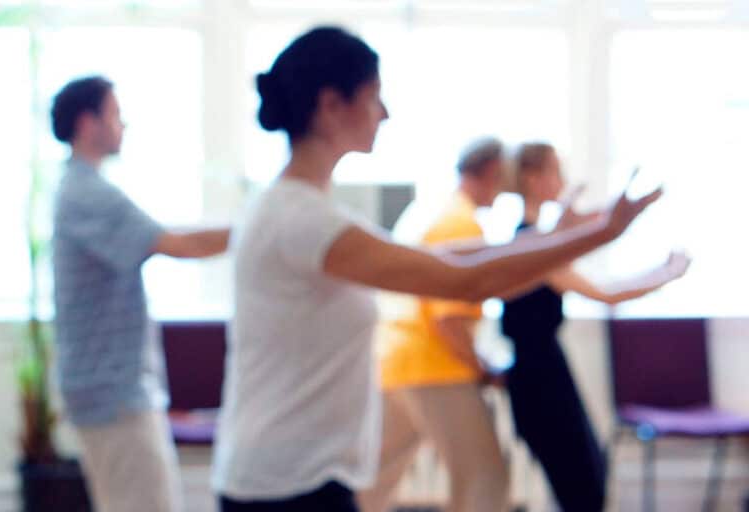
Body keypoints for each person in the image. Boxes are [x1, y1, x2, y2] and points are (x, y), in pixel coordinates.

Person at [211, 26, 660, 512]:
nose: (385, 113)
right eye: (374, 96)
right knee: (483, 478)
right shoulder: (302, 219)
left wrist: (560, 236)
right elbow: (465, 280)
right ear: (331, 105)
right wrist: (601, 233)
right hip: (285, 483)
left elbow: (453, 260)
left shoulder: (304, 211)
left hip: (296, 474)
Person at [51, 75, 231, 512]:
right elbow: (178, 244)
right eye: (115, 115)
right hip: (114, 392)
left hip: (108, 388)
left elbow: (166, 237)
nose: (123, 125)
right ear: (87, 123)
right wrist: (261, 228)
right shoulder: (87, 193)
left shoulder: (80, 188)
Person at [502, 142, 690, 512]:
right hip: (539, 380)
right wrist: (668, 273)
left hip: (542, 372)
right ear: (533, 178)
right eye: (555, 171)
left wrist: (612, 215)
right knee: (582, 486)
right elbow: (607, 293)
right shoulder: (529, 246)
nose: (562, 180)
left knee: (586, 479)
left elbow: (574, 231)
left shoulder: (535, 239)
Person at [358, 137, 511, 512]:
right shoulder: (459, 223)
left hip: (396, 361)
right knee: (483, 479)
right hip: (433, 364)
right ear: (492, 171)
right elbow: (448, 319)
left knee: (375, 478)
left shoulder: (429, 210)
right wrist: (480, 368)